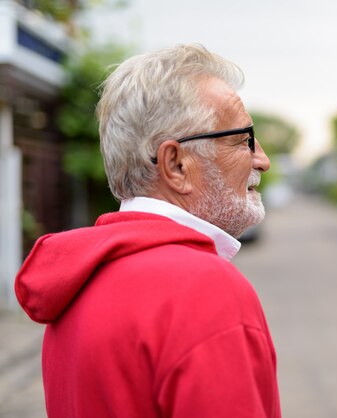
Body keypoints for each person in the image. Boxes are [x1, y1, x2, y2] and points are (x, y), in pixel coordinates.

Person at [14, 44, 281, 418]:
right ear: (176, 164)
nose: (263, 160)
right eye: (242, 140)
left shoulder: (75, 283)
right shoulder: (205, 289)